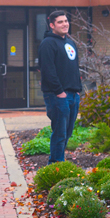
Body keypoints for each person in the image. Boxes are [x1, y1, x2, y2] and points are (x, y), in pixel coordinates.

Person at [39, 10, 83, 164]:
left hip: (72, 94)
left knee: (68, 132)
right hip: (57, 96)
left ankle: (58, 163)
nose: (65, 24)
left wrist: (78, 90)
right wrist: (59, 92)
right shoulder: (48, 44)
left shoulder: (70, 43)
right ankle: (56, 164)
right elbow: (48, 70)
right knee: (60, 133)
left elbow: (74, 68)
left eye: (66, 21)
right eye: (60, 22)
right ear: (52, 25)